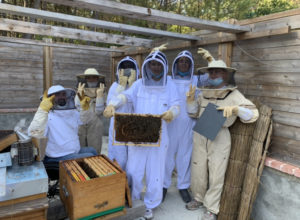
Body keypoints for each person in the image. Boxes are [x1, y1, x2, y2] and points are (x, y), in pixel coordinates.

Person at [103, 46, 180, 220]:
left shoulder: (170, 85)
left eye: (158, 65)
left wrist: (172, 113)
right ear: (147, 66)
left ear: (164, 66)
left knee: (155, 172)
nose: (155, 67)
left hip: (159, 134)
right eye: (152, 64)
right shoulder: (139, 84)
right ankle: (134, 200)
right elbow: (126, 97)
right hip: (137, 133)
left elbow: (177, 105)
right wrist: (112, 104)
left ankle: (151, 205)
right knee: (134, 169)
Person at [185, 48, 259, 220]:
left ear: (225, 75)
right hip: (201, 133)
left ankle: (211, 208)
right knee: (197, 168)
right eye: (211, 72)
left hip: (220, 136)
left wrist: (236, 109)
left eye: (217, 71)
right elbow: (193, 113)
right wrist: (189, 102)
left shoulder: (234, 94)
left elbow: (253, 114)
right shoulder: (204, 93)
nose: (213, 74)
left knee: (217, 172)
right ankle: (198, 198)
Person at [28, 85, 97, 164]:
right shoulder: (46, 115)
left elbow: (84, 120)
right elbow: (33, 133)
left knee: (92, 151)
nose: (62, 97)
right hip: (57, 156)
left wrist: (85, 109)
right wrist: (42, 110)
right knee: (90, 157)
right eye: (57, 95)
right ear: (50, 98)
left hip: (72, 151)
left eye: (63, 94)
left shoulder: (71, 112)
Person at [163, 50, 198, 203]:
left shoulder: (196, 80)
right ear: (176, 64)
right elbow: (151, 73)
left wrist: (210, 61)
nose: (183, 64)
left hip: (188, 123)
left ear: (191, 65)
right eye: (181, 61)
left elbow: (214, 76)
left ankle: (183, 186)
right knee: (167, 155)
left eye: (187, 61)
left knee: (185, 156)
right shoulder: (168, 79)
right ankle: (164, 185)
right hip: (170, 123)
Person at [106, 56, 140, 170]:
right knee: (119, 158)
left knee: (133, 158)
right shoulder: (114, 86)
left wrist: (131, 86)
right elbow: (109, 105)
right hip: (117, 127)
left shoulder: (139, 86)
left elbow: (140, 105)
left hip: (134, 126)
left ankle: (129, 184)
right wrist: (121, 86)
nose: (127, 70)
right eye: (124, 68)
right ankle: (118, 182)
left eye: (130, 67)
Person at [75, 68, 105, 154]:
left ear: (98, 79)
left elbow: (99, 111)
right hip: (81, 124)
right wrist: (79, 96)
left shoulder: (102, 92)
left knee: (94, 151)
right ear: (85, 79)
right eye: (89, 77)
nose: (91, 80)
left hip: (96, 125)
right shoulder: (80, 91)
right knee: (80, 150)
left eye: (94, 77)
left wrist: (99, 97)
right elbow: (77, 109)